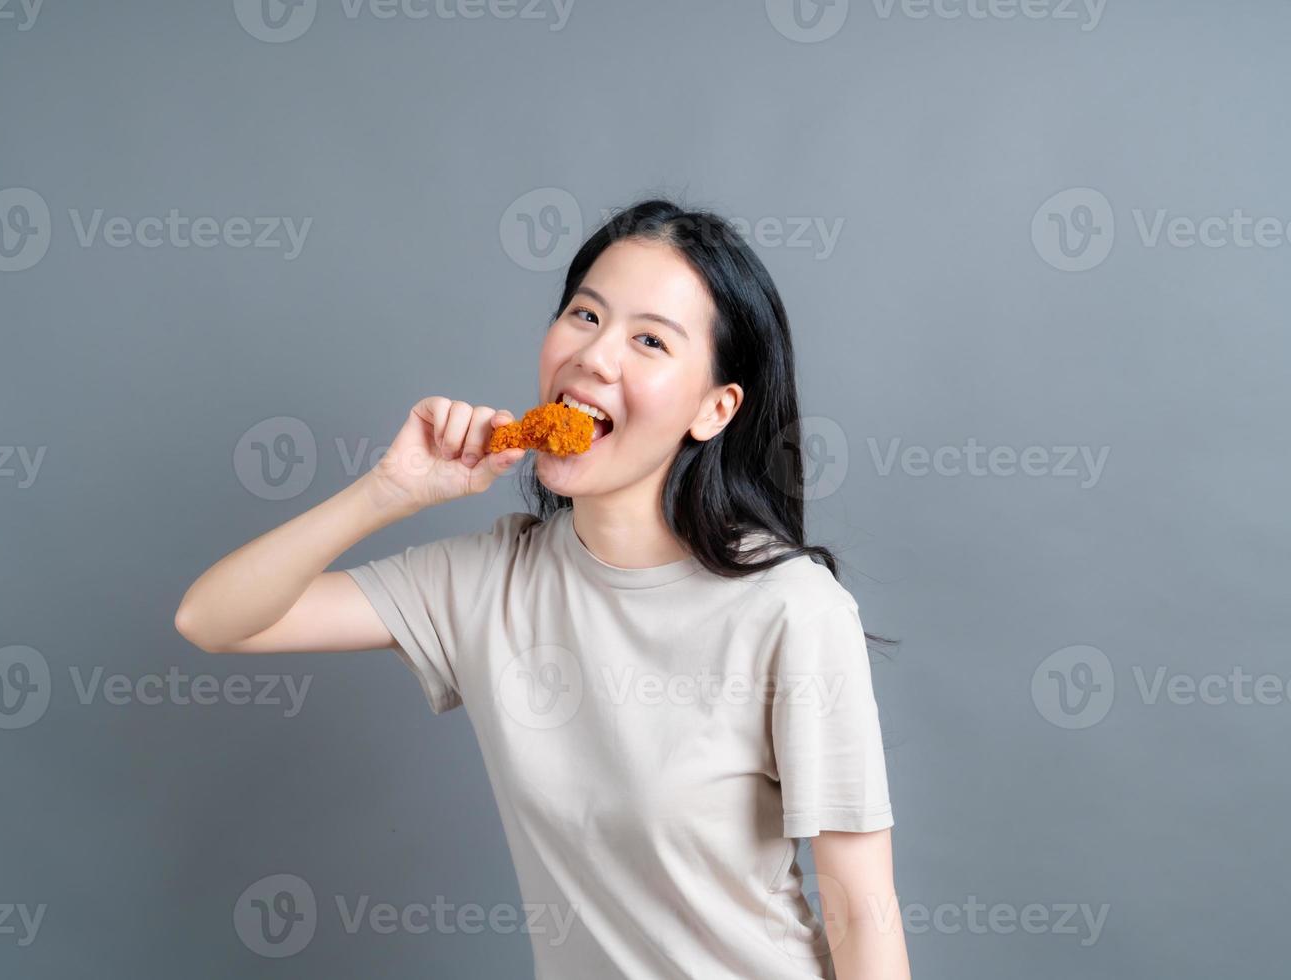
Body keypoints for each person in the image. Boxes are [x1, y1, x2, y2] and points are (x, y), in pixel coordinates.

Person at [175, 198, 911, 979]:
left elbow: (862, 917)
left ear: (714, 408)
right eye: (585, 315)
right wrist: (389, 491)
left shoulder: (791, 610)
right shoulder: (491, 579)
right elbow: (214, 619)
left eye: (650, 340)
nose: (595, 356)